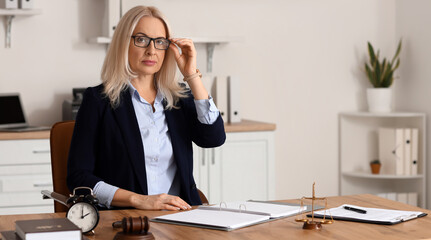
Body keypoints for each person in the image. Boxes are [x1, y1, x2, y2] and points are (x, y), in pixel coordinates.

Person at [67, 5, 226, 211]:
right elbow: (78, 178)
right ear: (124, 43)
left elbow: (213, 138)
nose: (151, 50)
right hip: (127, 222)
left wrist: (191, 76)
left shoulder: (178, 98)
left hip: (181, 218)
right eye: (141, 39)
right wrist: (139, 200)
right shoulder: (98, 100)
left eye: (160, 42)